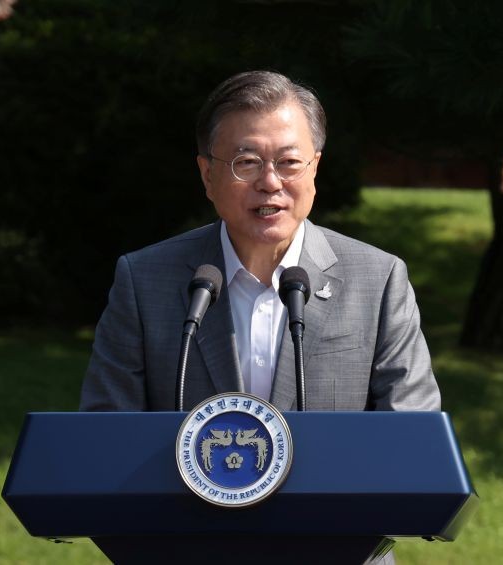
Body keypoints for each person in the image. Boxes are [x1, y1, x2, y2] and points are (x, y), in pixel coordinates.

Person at [80, 69, 440, 565]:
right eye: (246, 162)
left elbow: (413, 444)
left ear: (315, 168)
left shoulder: (377, 280)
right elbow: (104, 445)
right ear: (207, 175)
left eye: (289, 162)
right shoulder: (145, 281)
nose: (270, 182)